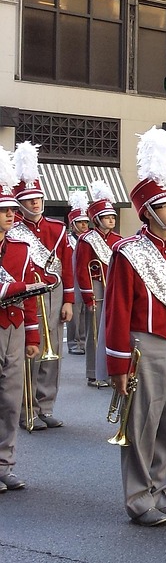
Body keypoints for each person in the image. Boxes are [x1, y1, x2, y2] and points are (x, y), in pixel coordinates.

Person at [104, 127, 166, 526]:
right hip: (143, 345)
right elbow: (116, 311)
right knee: (141, 423)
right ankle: (139, 498)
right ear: (147, 210)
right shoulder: (128, 252)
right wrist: (117, 365)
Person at [11, 142, 72, 430]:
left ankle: (46, 405)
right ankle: (27, 409)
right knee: (31, 350)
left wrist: (69, 300)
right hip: (28, 292)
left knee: (53, 351)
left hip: (54, 293)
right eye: (30, 200)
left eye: (38, 198)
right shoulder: (13, 231)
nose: (36, 203)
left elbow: (67, 267)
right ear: (20, 203)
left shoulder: (57, 229)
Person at [0, 146, 45, 493]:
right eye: (4, 211)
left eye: (12, 210)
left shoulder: (21, 248)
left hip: (14, 329)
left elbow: (29, 299)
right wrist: (19, 286)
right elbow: (19, 286)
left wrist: (32, 336)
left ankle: (5, 464)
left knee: (11, 400)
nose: (10, 216)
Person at [79, 180, 120, 388]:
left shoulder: (118, 240)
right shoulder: (87, 239)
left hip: (113, 286)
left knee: (112, 330)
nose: (111, 220)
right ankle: (93, 372)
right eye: (107, 217)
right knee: (94, 330)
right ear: (97, 219)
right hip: (96, 285)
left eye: (113, 216)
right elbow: (81, 268)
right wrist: (88, 295)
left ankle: (110, 370)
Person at [65, 195, 90, 356]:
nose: (84, 225)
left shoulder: (88, 240)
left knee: (86, 313)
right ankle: (74, 342)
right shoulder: (68, 240)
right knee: (74, 314)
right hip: (72, 279)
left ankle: (84, 340)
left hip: (85, 278)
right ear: (73, 225)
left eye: (86, 222)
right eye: (81, 222)